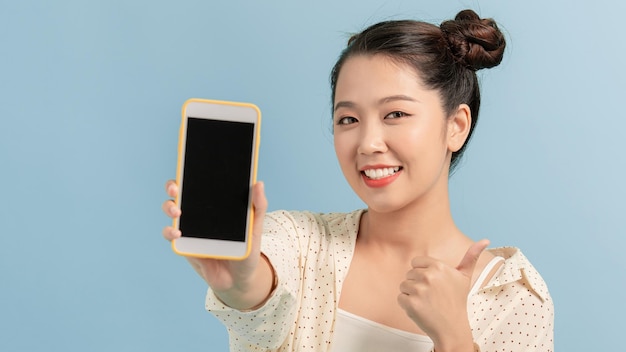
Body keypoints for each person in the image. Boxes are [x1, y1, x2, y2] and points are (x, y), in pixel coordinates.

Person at [162, 9, 553, 352]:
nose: (367, 143)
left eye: (395, 114)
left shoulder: (512, 297)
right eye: (348, 119)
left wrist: (454, 339)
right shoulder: (300, 243)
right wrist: (241, 285)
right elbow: (262, 297)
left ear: (456, 126)